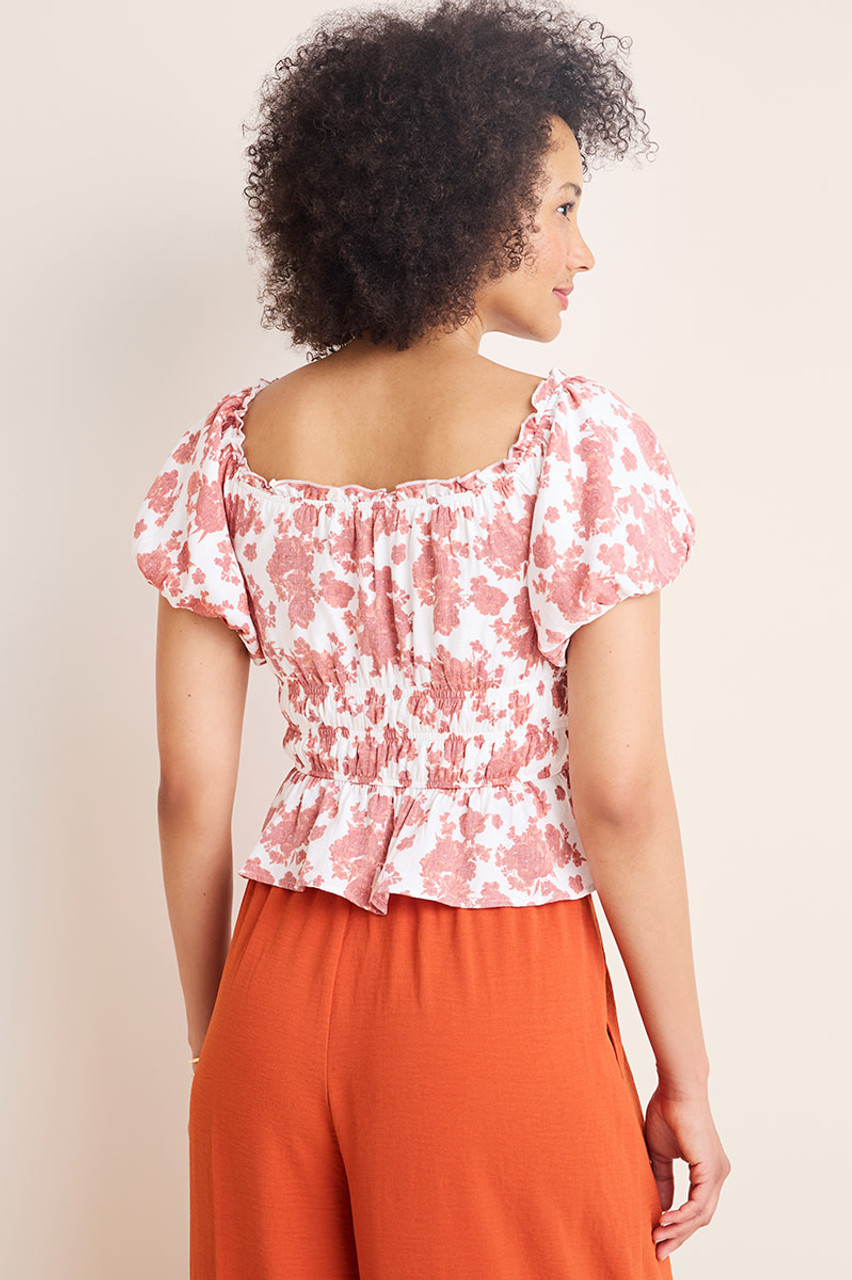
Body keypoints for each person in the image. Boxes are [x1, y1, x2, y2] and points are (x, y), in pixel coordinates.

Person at [133, 1, 730, 1275]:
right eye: (562, 206)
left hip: (274, 993)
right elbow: (620, 793)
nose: (583, 250)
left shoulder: (229, 448)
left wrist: (216, 1030)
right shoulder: (574, 444)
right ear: (464, 205)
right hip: (495, 988)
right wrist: (684, 1072)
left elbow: (189, 788)